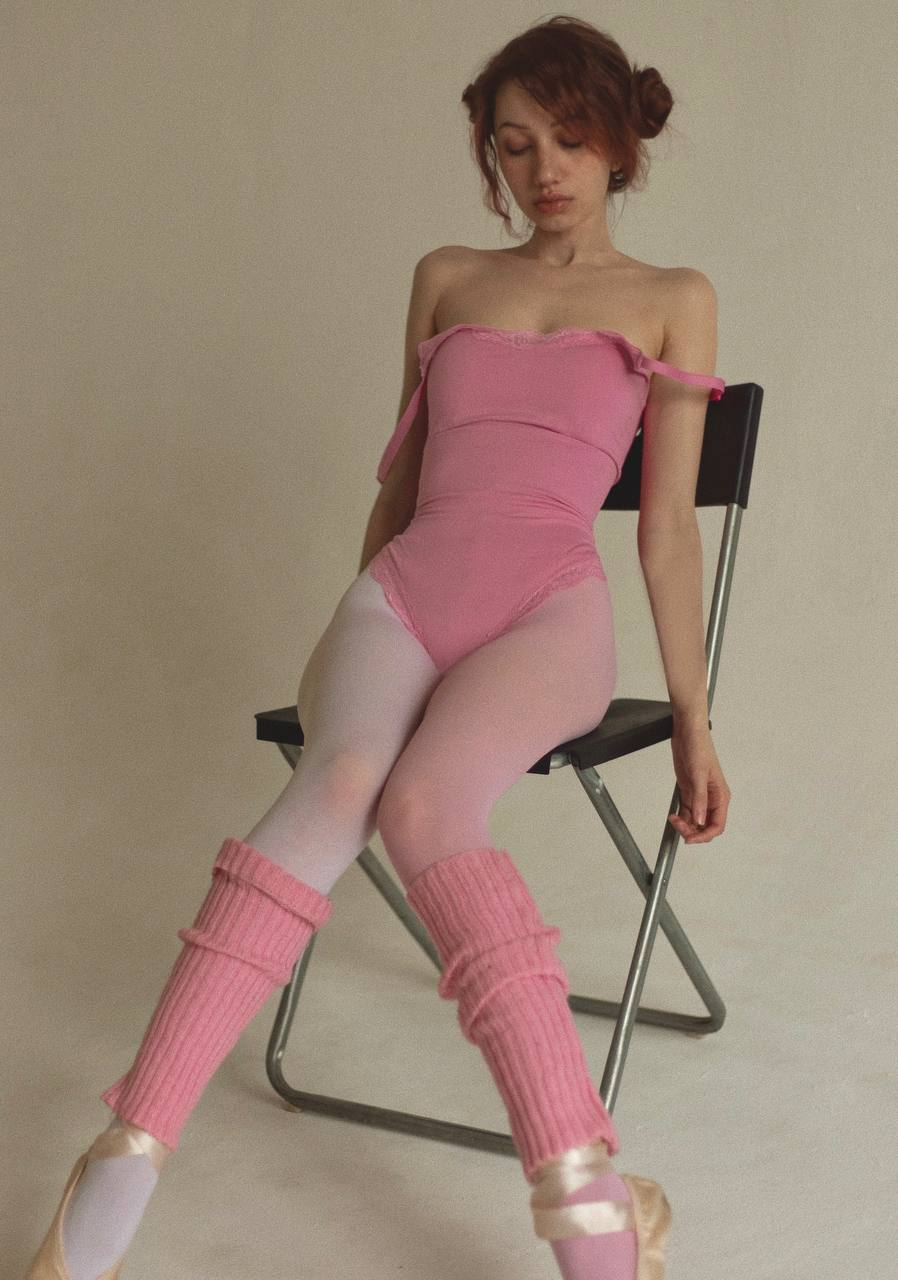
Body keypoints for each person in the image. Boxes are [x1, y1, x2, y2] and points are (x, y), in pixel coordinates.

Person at [25, 15, 731, 1280]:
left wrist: (692, 717)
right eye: (513, 144)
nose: (542, 168)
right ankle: (124, 1156)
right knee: (339, 777)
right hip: (404, 595)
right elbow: (400, 484)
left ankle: (586, 1201)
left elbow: (667, 527)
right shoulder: (448, 275)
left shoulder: (673, 298)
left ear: (621, 140)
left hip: (545, 611)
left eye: (569, 138)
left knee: (425, 805)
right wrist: (367, 627)